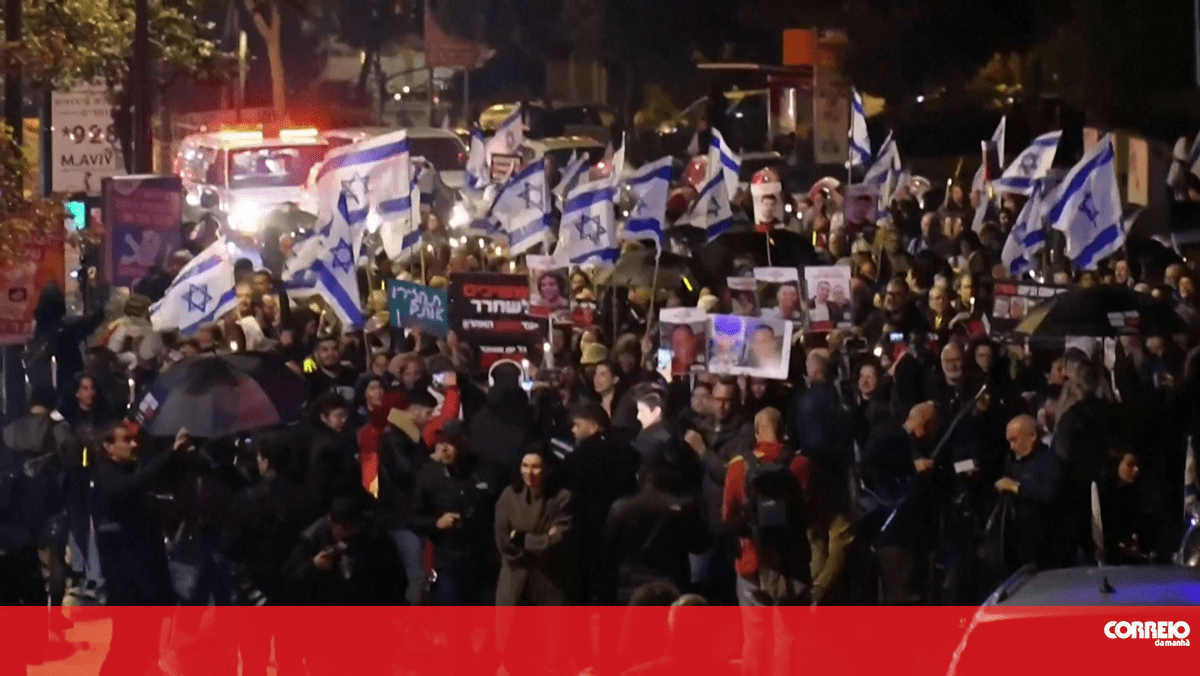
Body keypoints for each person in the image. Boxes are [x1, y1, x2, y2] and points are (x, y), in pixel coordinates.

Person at [94, 425, 191, 676]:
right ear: (108, 446)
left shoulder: (129, 470)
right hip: (128, 584)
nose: (133, 445)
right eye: (126, 440)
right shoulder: (106, 475)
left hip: (148, 580)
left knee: (146, 649)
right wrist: (169, 454)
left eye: (134, 439)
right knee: (125, 648)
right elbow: (127, 488)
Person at [723, 408, 809, 674]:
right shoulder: (800, 465)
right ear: (783, 430)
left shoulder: (739, 465)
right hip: (788, 563)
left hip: (751, 561)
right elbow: (809, 513)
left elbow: (728, 514)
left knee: (755, 638)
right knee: (787, 639)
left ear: (757, 432)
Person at [789, 349, 854, 605]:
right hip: (837, 476)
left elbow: (793, 440)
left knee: (816, 537)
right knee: (840, 533)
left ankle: (816, 589)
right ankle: (823, 588)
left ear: (814, 372)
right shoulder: (843, 399)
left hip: (809, 477)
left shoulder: (799, 400)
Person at [561, 404, 640, 603]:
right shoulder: (626, 452)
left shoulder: (579, 457)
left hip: (585, 531)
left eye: (577, 425)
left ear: (594, 426)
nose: (573, 430)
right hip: (618, 530)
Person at [411, 424, 494, 605]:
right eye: (442, 443)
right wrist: (435, 523)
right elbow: (414, 516)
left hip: (481, 559)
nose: (444, 449)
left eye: (451, 443)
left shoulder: (482, 471)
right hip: (448, 558)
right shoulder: (429, 475)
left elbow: (493, 513)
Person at [284, 489, 404, 605]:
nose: (347, 540)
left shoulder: (376, 542)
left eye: (352, 529)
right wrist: (313, 566)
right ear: (331, 523)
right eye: (343, 529)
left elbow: (396, 583)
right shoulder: (312, 538)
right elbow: (289, 580)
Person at [495, 450, 574, 605]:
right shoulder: (509, 496)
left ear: (547, 468)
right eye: (525, 466)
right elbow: (503, 541)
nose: (529, 472)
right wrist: (542, 540)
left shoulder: (561, 498)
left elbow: (559, 540)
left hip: (548, 582)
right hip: (514, 580)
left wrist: (521, 538)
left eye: (535, 466)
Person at [994, 415, 1063, 571]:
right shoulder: (1014, 462)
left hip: (1043, 547)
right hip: (1017, 544)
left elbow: (1051, 493)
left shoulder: (1048, 461)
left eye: (1014, 440)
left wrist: (1018, 488)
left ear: (1032, 436)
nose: (1011, 447)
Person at [305, 332, 358, 403]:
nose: (331, 353)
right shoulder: (312, 380)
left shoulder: (351, 374)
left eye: (335, 349)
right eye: (325, 350)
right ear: (317, 354)